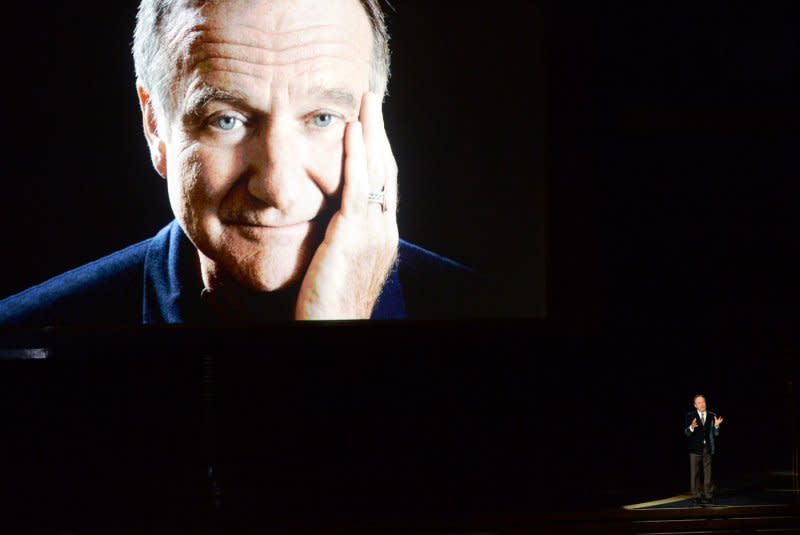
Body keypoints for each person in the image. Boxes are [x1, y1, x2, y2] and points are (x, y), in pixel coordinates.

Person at [0, 0, 492, 326]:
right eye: (227, 120)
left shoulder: (488, 315)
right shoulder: (26, 336)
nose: (276, 187)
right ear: (156, 127)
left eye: (322, 117)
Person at [684, 394, 724, 506]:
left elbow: (716, 434)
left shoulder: (712, 415)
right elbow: (686, 433)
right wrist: (691, 427)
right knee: (695, 474)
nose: (702, 404)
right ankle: (696, 496)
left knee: (708, 473)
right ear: (695, 405)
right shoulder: (690, 415)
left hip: (708, 448)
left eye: (703, 402)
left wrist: (716, 426)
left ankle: (708, 496)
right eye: (699, 403)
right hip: (695, 449)